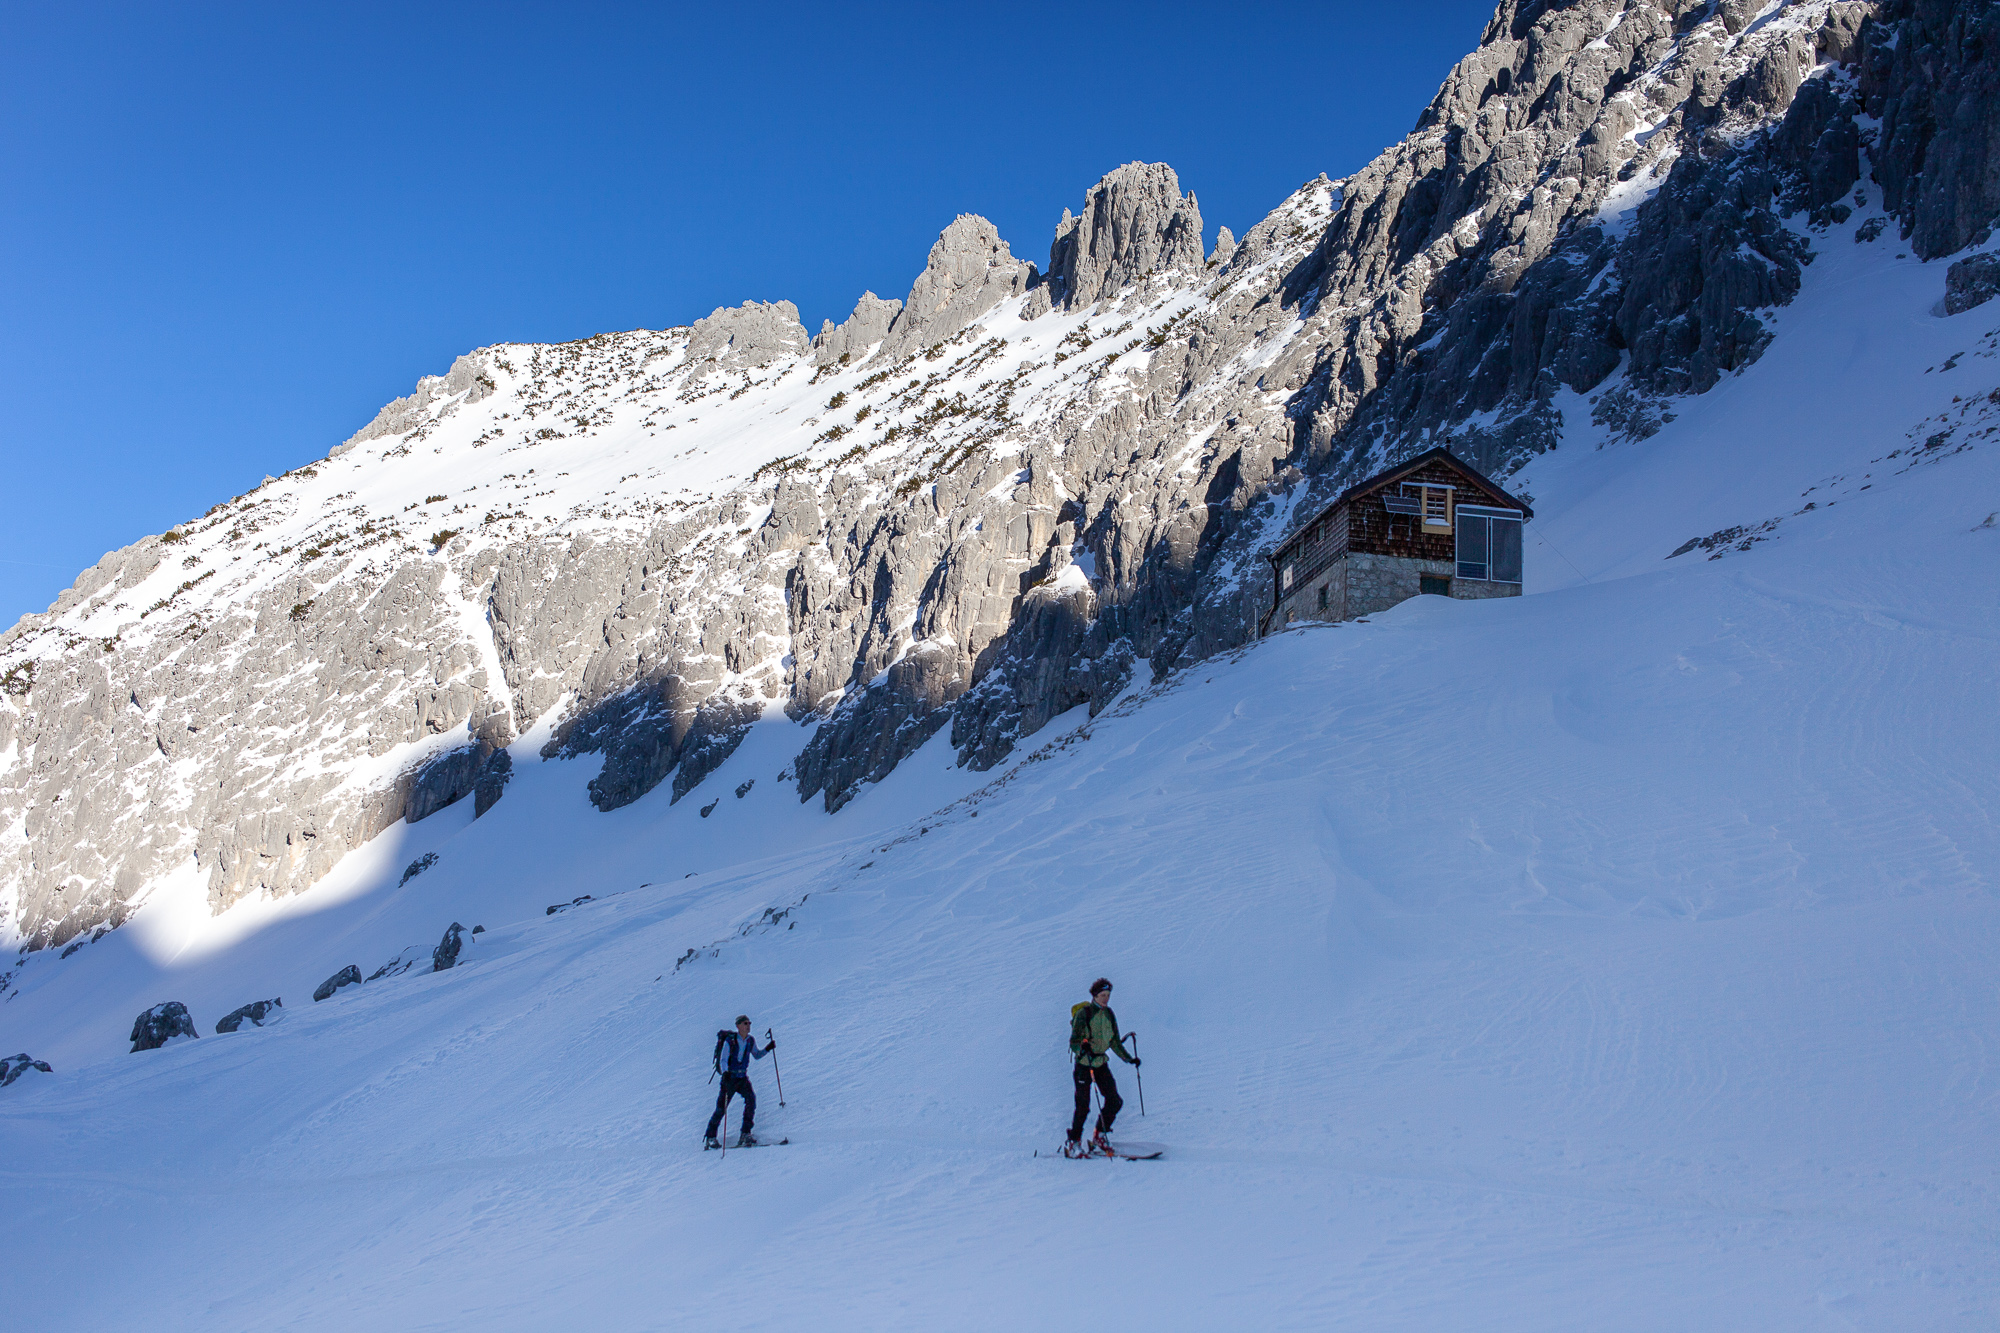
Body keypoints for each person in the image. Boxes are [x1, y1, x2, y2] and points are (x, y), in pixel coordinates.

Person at [1067, 978, 1139, 1155]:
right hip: (1084, 1065)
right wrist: (1082, 1049)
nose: (1106, 999)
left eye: (1108, 995)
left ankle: (1098, 1136)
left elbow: (1114, 1041)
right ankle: (1073, 1142)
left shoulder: (1109, 1014)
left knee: (1114, 1101)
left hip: (1100, 1063)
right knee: (1083, 1106)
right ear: (1094, 996)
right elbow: (1074, 1041)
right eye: (1102, 995)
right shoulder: (1085, 1014)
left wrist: (1129, 1059)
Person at [705, 1014, 774, 1148]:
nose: (748, 1026)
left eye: (749, 1023)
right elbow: (723, 1059)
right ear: (738, 1026)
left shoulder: (750, 1041)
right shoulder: (730, 1041)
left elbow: (756, 1055)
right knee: (721, 1108)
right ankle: (710, 1136)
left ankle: (745, 1133)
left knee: (751, 1101)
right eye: (745, 1024)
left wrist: (767, 1049)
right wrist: (725, 1073)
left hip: (742, 1078)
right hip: (730, 1078)